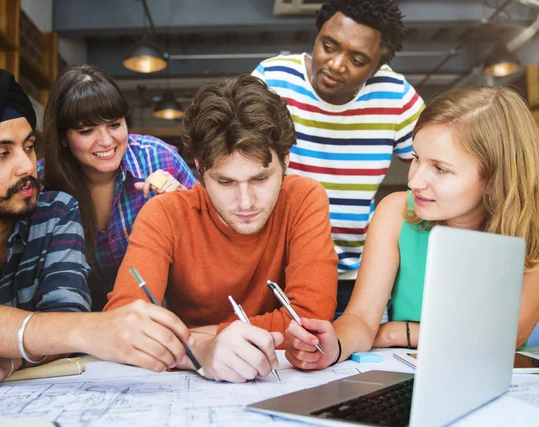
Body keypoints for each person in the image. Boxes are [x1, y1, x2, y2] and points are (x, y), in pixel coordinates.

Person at [0, 70, 195, 394]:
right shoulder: (40, 188)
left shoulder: (56, 209)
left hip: (148, 336)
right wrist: (93, 330)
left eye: (29, 147)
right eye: (3, 154)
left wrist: (2, 361)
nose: (27, 167)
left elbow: (66, 312)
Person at [284, 85, 539, 370]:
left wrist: (399, 332)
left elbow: (507, 337)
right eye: (417, 157)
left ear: (495, 179)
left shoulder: (532, 227)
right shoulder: (396, 212)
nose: (414, 181)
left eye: (441, 169)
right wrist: (333, 346)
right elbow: (360, 319)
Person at [105, 75, 338, 383]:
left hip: (278, 381)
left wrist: (199, 337)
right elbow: (122, 326)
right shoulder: (164, 215)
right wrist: (201, 350)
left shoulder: (304, 198)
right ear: (200, 168)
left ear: (285, 160)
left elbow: (311, 321)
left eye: (259, 179)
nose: (245, 202)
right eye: (225, 182)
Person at [252, 0, 425, 316]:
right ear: (317, 36)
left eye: (358, 60)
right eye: (328, 46)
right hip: (275, 268)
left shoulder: (395, 94)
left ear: (377, 67)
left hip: (352, 277)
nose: (335, 64)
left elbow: (433, 162)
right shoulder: (274, 78)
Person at [41, 65, 197, 311]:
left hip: (159, 313)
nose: (105, 141)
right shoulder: (42, 183)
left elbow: (212, 236)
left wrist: (185, 206)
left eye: (114, 124)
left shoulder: (158, 158)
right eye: (87, 130)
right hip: (77, 324)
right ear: (63, 138)